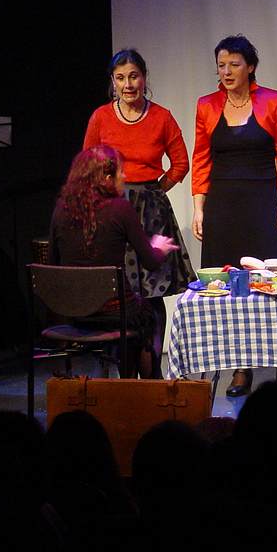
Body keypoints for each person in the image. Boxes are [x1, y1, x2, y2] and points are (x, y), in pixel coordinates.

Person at [191, 34, 277, 397]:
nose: (226, 71)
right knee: (230, 287)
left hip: (263, 198)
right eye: (221, 65)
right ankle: (241, 366)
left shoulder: (273, 100)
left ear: (250, 67)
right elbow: (201, 158)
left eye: (234, 64)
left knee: (272, 281)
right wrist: (199, 209)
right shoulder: (207, 105)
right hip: (223, 203)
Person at [82, 49, 194, 377]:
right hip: (113, 210)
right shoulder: (101, 117)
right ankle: (126, 374)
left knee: (152, 293)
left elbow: (181, 162)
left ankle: (153, 372)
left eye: (134, 76)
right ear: (112, 82)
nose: (128, 84)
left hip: (150, 212)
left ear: (144, 78)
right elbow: (87, 162)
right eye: (120, 78)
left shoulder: (161, 117)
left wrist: (155, 191)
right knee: (121, 293)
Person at [48, 146, 180, 378]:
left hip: (74, 312)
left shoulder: (61, 210)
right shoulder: (120, 209)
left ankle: (125, 385)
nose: (125, 176)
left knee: (133, 314)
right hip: (113, 311)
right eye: (120, 172)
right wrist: (159, 248)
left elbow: (52, 263)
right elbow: (151, 262)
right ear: (106, 178)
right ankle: (147, 383)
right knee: (147, 315)